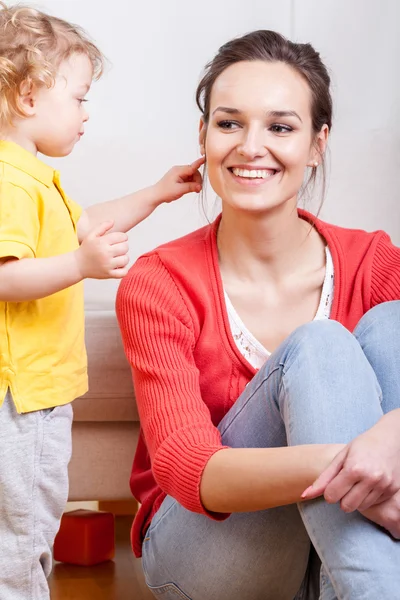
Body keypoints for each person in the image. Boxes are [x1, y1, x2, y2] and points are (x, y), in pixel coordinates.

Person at [116, 29, 400, 600]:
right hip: (207, 553)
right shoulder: (159, 282)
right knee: (319, 344)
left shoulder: (373, 259)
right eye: (229, 123)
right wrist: (353, 463)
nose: (250, 146)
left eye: (279, 127)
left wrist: (392, 434)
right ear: (204, 136)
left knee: (391, 323)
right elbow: (188, 466)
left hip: (333, 553)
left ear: (318, 144)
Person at [0, 3, 203, 599]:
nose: (87, 114)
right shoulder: (12, 181)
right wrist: (80, 267)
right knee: (23, 535)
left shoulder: (31, 176)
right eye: (80, 98)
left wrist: (158, 193)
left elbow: (85, 224)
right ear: (30, 96)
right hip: (26, 397)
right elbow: (6, 275)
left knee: (27, 528)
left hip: (34, 393)